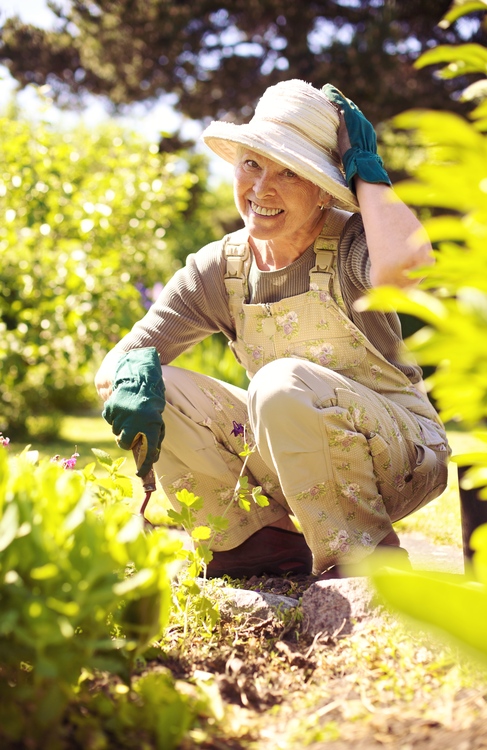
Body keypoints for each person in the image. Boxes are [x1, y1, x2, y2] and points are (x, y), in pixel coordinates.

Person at [95, 79, 450, 579]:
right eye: (252, 164)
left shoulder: (350, 243)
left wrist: (367, 171)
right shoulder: (220, 268)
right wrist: (126, 384)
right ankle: (254, 544)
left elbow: (407, 267)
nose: (261, 188)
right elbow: (120, 361)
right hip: (294, 467)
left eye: (290, 172)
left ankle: (362, 560)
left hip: (399, 458)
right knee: (157, 380)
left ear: (324, 191)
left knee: (280, 383)